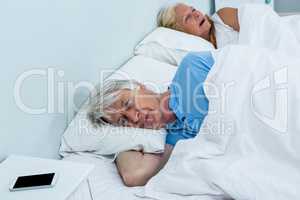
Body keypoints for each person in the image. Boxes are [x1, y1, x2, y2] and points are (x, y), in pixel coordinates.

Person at [88, 51, 215, 187]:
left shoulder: (192, 67)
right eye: (123, 121)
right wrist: (121, 141)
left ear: (140, 87)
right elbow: (133, 176)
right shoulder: (169, 143)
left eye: (128, 103)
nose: (133, 117)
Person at [157, 3, 240, 48]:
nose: (197, 14)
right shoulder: (200, 55)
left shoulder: (222, 18)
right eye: (188, 17)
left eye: (193, 10)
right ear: (181, 32)